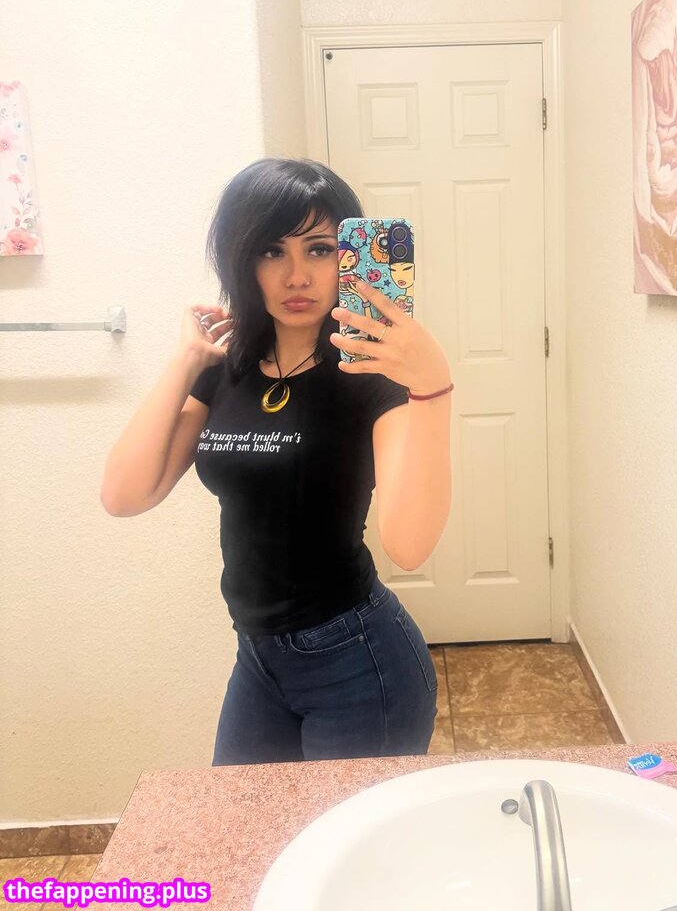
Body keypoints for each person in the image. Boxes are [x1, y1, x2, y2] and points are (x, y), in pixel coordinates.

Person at [101, 158, 453, 764]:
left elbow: (409, 547)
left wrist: (432, 389)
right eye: (271, 251)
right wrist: (187, 361)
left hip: (358, 661)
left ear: (348, 256)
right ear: (242, 260)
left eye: (319, 249)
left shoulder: (372, 377)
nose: (296, 276)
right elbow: (125, 495)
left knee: (343, 830)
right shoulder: (229, 368)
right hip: (258, 659)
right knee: (243, 821)